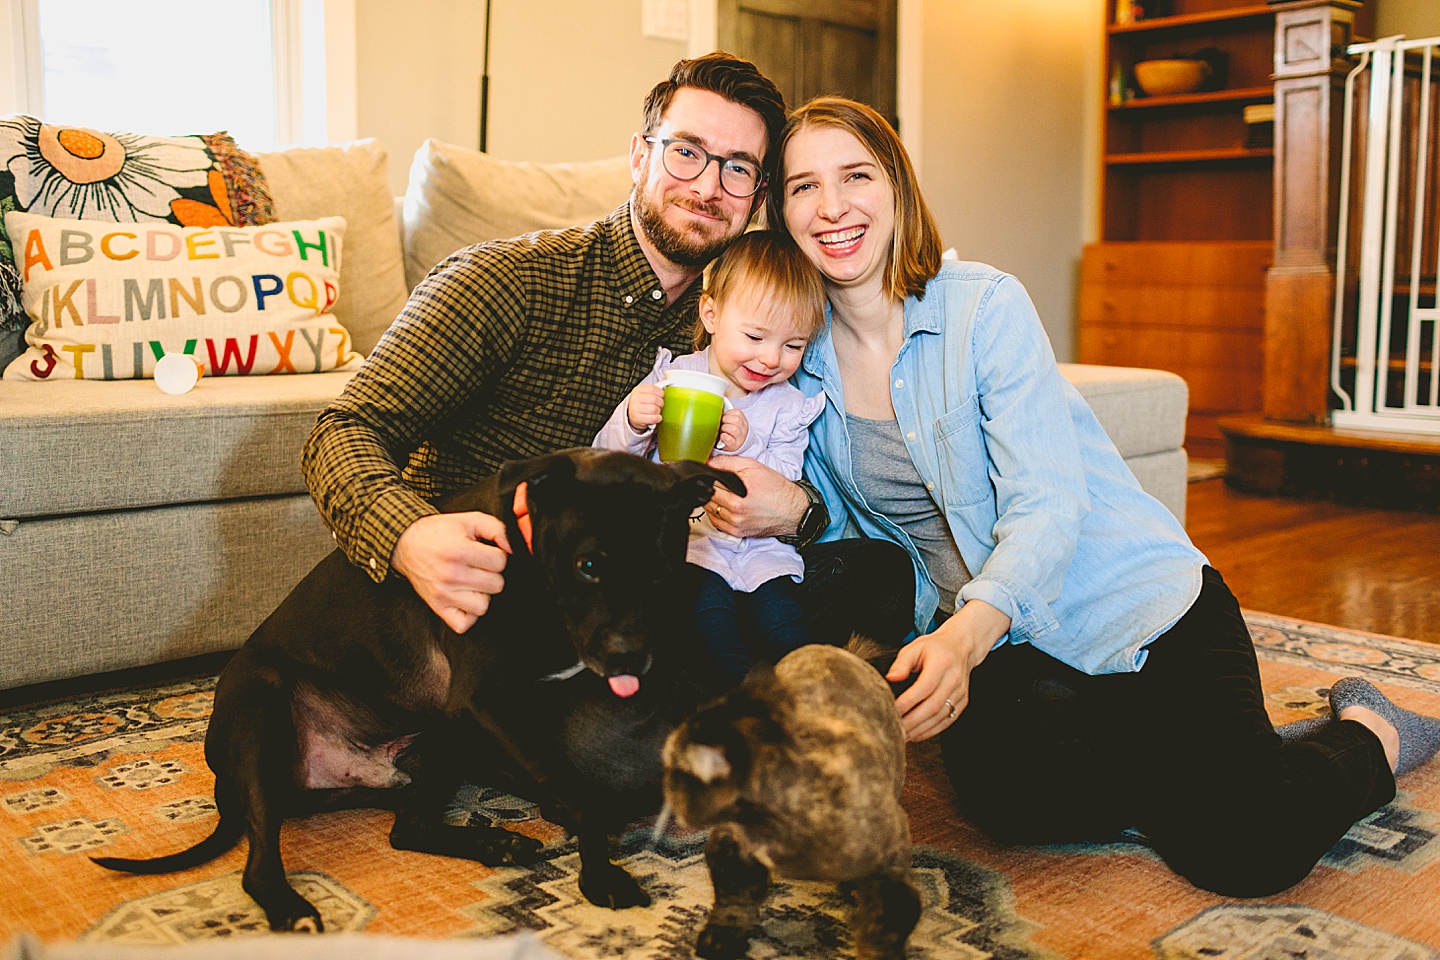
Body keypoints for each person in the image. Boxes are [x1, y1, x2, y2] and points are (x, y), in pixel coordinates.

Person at [753, 95, 1440, 897]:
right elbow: (866, 534)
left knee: (1248, 848)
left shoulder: (983, 307)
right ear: (782, 211)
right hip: (1011, 642)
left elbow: (1047, 506)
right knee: (1010, 805)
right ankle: (1219, 766)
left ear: (897, 187)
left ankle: (1366, 731)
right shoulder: (797, 360)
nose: (831, 207)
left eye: (855, 176)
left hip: (1135, 603)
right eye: (803, 187)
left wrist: (964, 640)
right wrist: (799, 512)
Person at [300, 54, 914, 649]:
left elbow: (789, 476)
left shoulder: (748, 326)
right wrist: (410, 537)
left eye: (738, 167)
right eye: (687, 152)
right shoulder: (507, 281)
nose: (707, 186)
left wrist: (798, 512)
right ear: (639, 156)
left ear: (756, 196)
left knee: (880, 573)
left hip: (660, 583)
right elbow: (346, 430)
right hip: (506, 591)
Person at [594, 231, 827, 684]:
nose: (771, 358)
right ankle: (737, 716)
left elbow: (784, 482)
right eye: (756, 336)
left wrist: (746, 448)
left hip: (761, 553)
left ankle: (806, 718)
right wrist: (633, 419)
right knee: (714, 637)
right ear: (712, 313)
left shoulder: (787, 404)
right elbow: (611, 461)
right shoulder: (676, 377)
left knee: (788, 636)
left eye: (793, 345)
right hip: (692, 549)